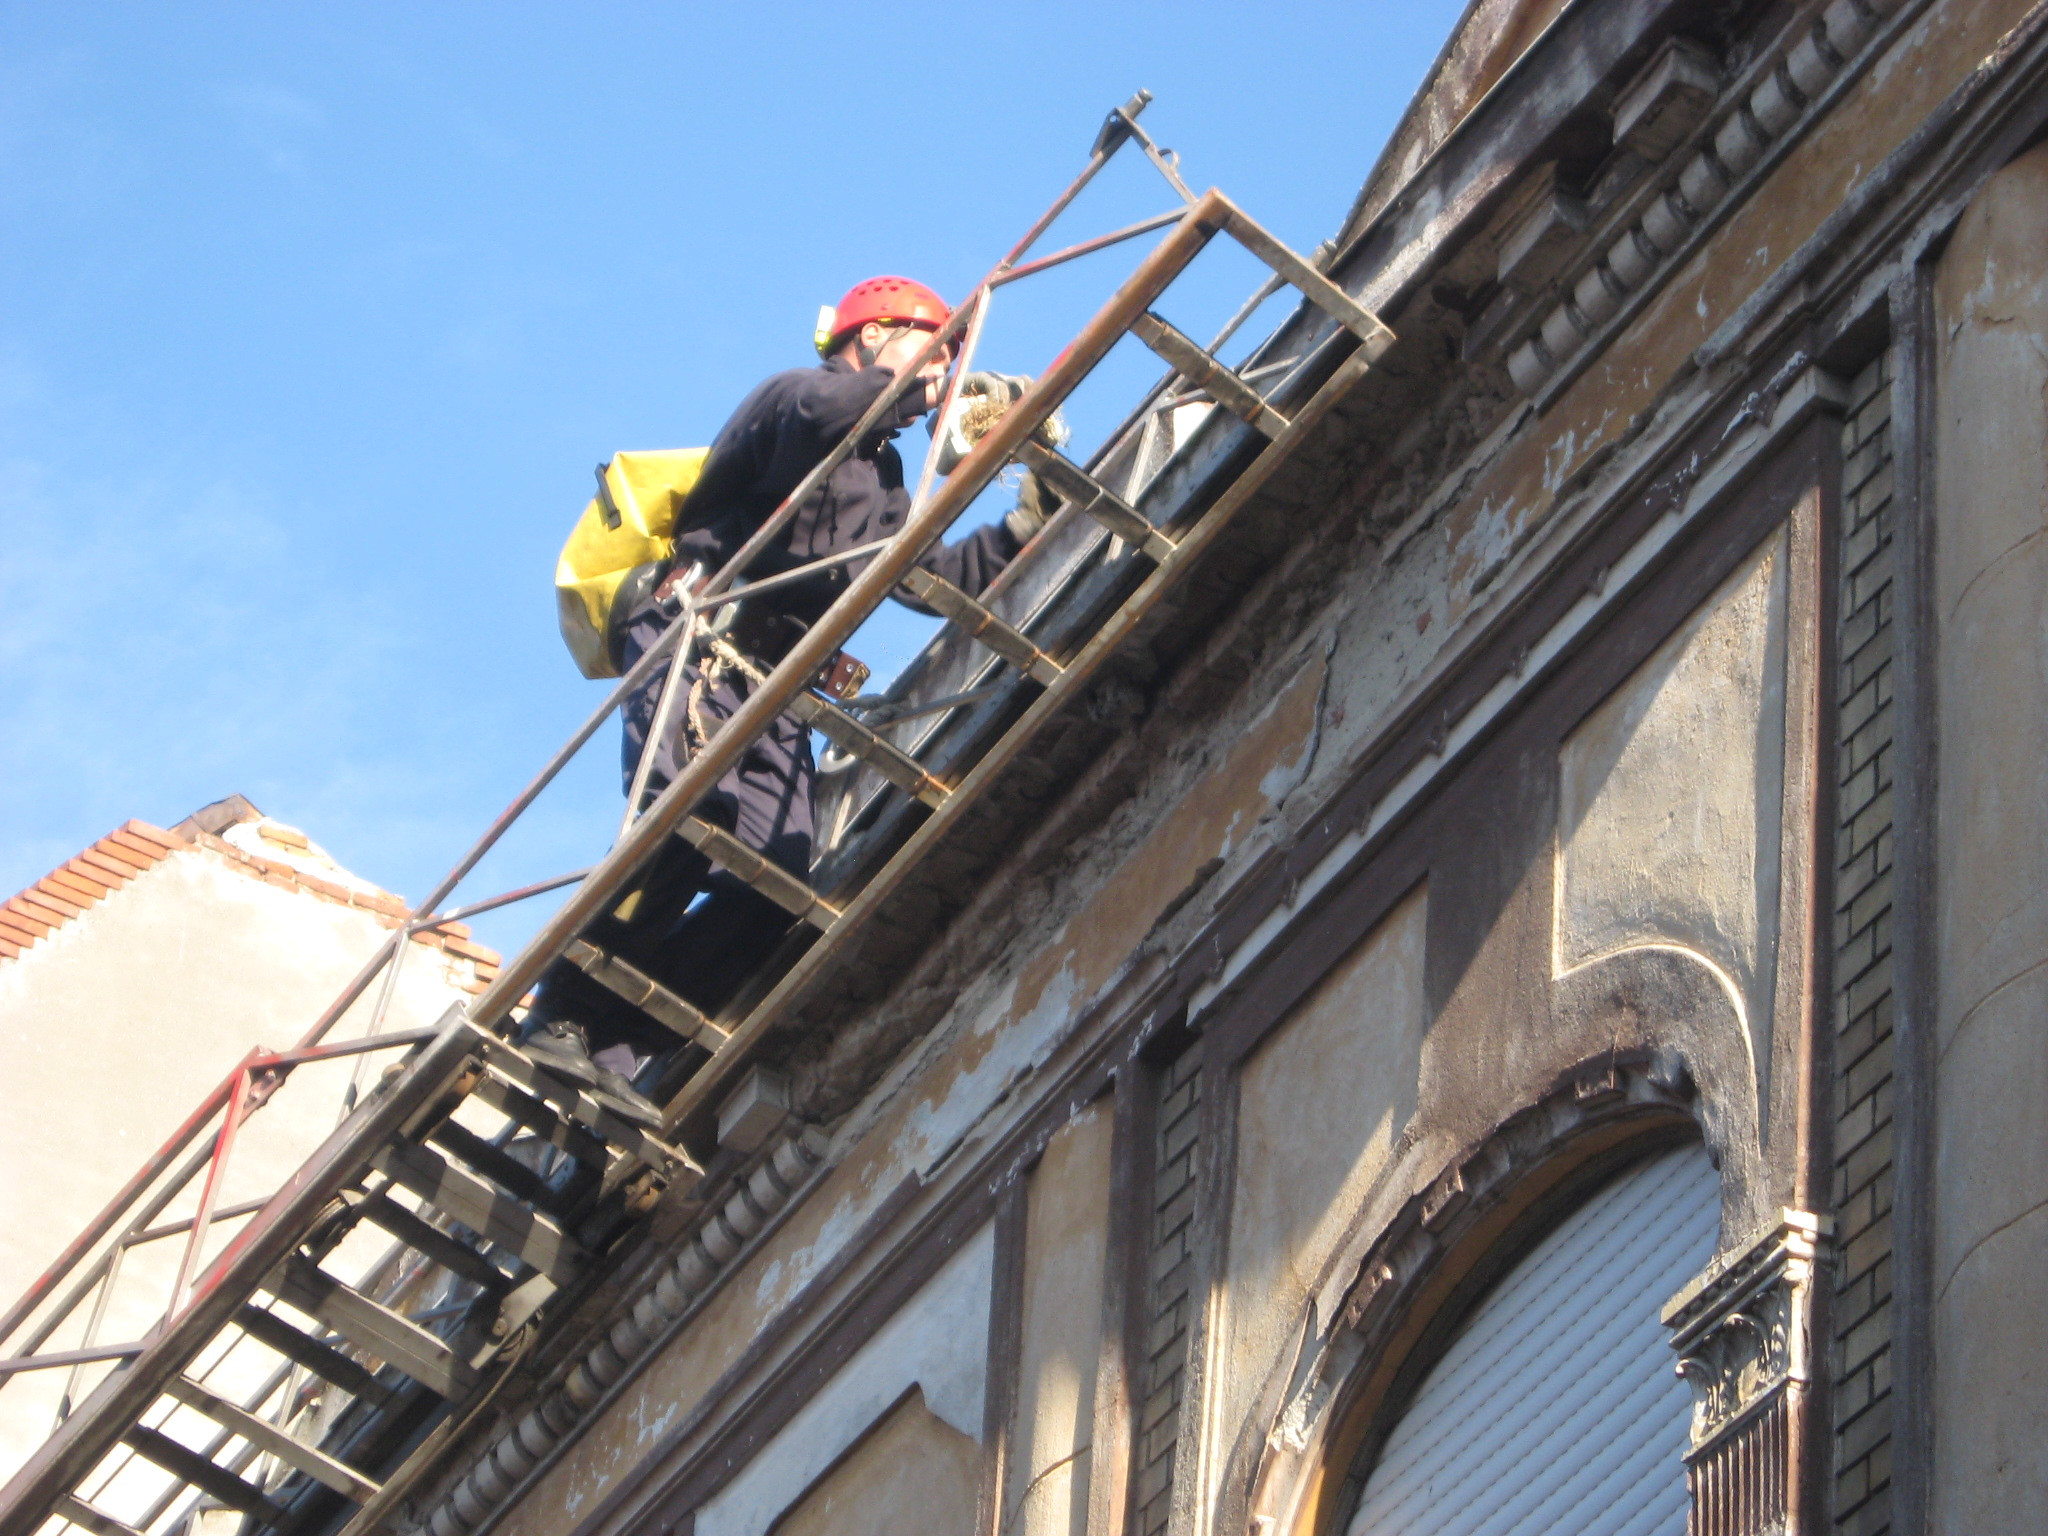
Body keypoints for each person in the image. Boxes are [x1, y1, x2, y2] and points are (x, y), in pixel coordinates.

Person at [520, 276, 1049, 1124]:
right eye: (933, 348)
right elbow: (820, 418)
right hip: (699, 643)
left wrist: (1025, 522)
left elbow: (925, 576)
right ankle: (561, 1014)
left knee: (776, 880)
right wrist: (914, 389)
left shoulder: (882, 480)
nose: (943, 373)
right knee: (690, 815)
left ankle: (619, 1048)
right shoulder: (796, 399)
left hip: (773, 684)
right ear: (870, 338)